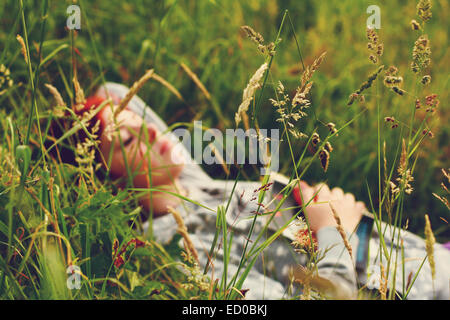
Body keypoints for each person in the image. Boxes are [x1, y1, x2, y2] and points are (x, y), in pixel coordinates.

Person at [75, 82, 450, 300]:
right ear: (106, 178)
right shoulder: (181, 251)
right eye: (127, 138)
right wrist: (336, 229)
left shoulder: (194, 185)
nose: (152, 132)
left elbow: (115, 90)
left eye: (141, 121)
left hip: (424, 257)